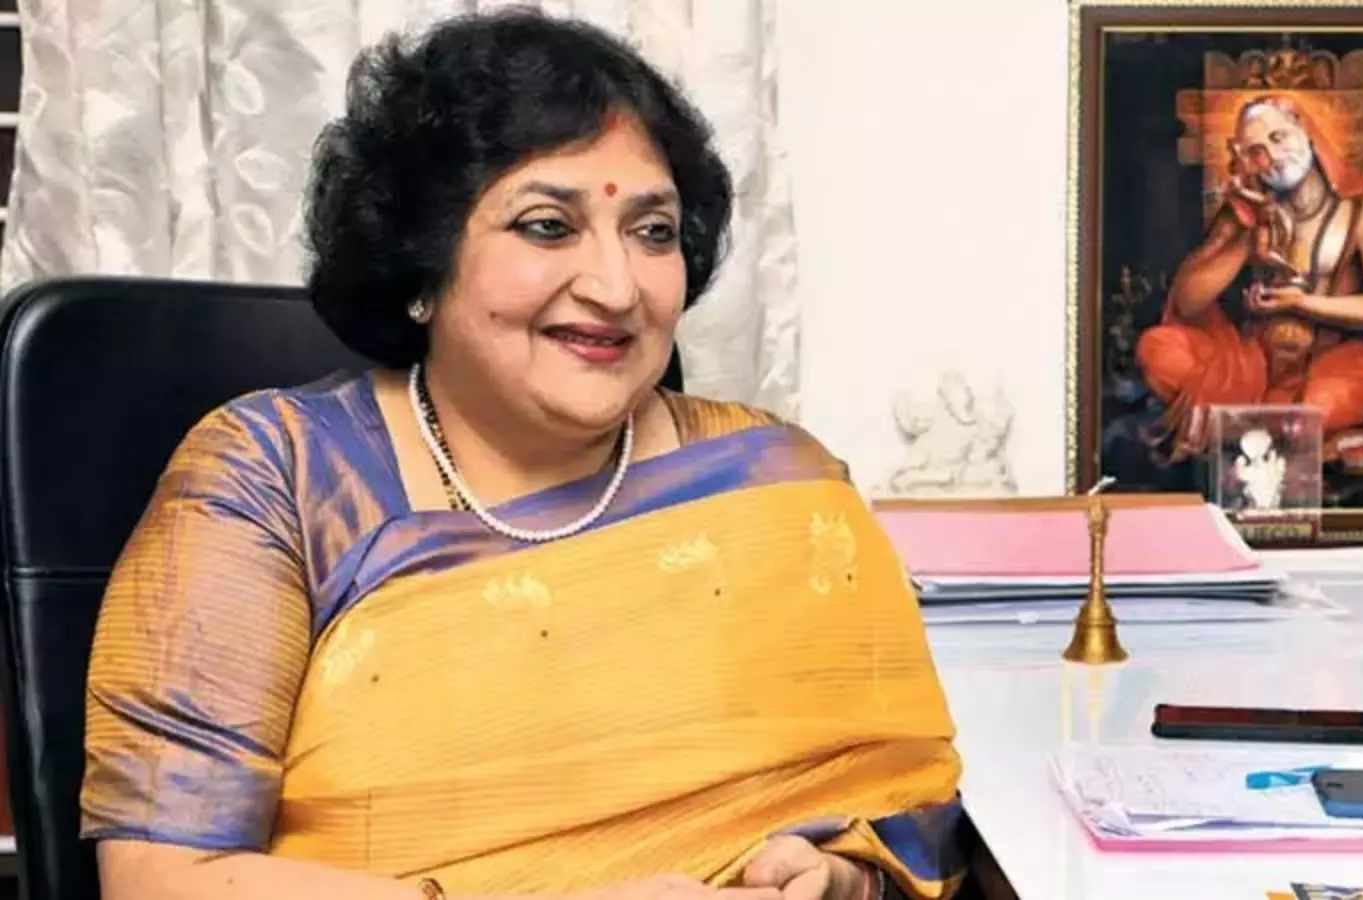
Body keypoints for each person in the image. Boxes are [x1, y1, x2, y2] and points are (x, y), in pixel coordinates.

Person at [79, 11, 966, 900]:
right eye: (547, 226)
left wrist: (840, 878)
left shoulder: (778, 486)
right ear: (422, 266)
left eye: (653, 232)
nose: (616, 286)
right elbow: (159, 877)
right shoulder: (273, 480)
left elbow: (908, 823)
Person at [1135, 94, 1363, 458]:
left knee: (1320, 408)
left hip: (1336, 357)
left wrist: (1303, 304)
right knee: (1157, 349)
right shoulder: (1246, 208)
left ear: (1305, 129)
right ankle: (1262, 425)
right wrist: (1248, 239)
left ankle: (1227, 426)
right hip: (1256, 360)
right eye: (1256, 151)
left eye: (1278, 137)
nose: (1271, 156)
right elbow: (1188, 302)